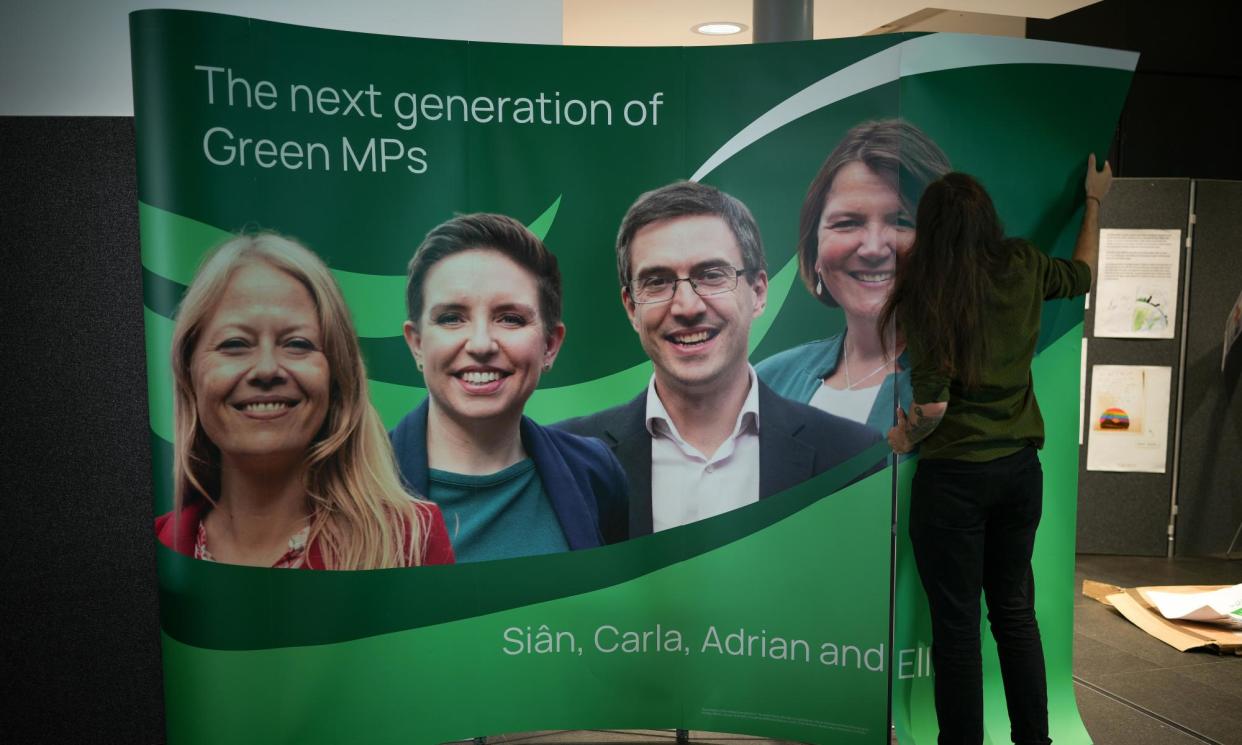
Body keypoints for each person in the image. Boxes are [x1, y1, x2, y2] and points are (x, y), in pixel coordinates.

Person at [882, 155, 1113, 744]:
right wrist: (1094, 201)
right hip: (1017, 473)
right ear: (987, 220)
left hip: (953, 482)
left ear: (930, 229)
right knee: (1013, 614)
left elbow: (931, 408)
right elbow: (1083, 274)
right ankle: (1034, 740)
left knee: (956, 630)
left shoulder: (928, 291)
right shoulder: (1024, 265)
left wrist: (902, 436)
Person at [557, 181, 880, 537]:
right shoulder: (567, 462)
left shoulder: (850, 458)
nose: (686, 306)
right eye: (658, 281)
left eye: (711, 275)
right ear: (631, 307)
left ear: (757, 293)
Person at [155, 232, 454, 569]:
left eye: (297, 344)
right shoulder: (158, 548)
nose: (267, 369)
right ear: (188, 373)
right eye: (235, 344)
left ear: (337, 377)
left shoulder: (411, 541)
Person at [390, 213, 628, 562]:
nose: (481, 344)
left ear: (549, 346)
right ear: (416, 344)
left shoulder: (595, 474)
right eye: (452, 318)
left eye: (510, 318)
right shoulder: (346, 486)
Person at [757, 119, 951, 434]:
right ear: (814, 249)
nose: (874, 248)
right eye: (847, 223)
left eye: (901, 221)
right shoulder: (766, 383)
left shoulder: (981, 385)